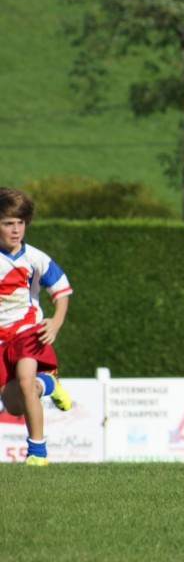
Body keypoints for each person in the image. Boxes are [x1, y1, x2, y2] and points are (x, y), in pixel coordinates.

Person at [0, 187, 74, 466]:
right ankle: (49, 383)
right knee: (14, 404)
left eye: (20, 223)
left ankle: (37, 452)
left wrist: (55, 321)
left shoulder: (35, 258)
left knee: (25, 381)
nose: (16, 230)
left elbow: (62, 290)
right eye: (8, 223)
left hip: (28, 330)